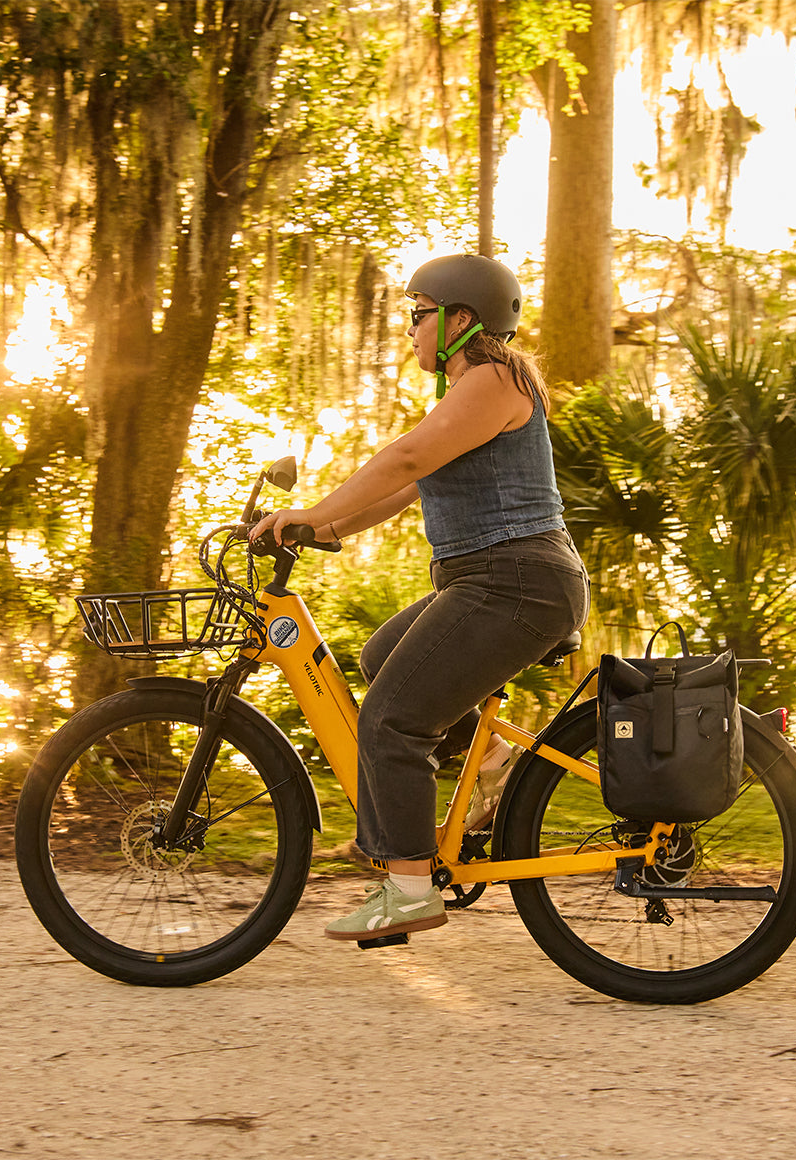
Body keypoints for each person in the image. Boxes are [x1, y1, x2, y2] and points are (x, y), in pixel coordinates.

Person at [251, 254, 590, 943]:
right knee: (384, 656)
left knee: (390, 718)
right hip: (494, 580)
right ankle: (483, 755)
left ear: (462, 319)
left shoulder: (494, 380)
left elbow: (403, 461)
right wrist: (318, 530)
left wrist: (307, 512)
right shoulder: (469, 395)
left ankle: (407, 888)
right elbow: (410, 489)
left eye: (418, 314)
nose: (409, 329)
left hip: (516, 581)